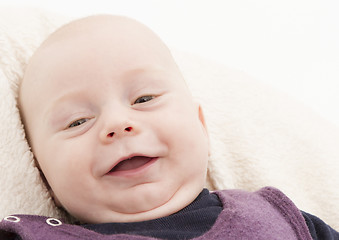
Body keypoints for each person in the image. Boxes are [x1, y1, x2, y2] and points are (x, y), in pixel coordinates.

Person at [0, 14, 337, 239]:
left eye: (144, 99)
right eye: (78, 121)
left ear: (201, 127)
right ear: (43, 176)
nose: (118, 124)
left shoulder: (277, 214)